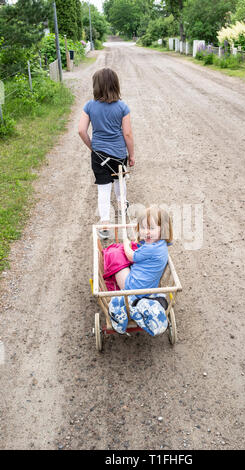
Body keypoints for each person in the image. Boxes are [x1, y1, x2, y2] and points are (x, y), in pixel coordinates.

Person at [78, 67, 135, 238]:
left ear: (96, 86)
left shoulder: (89, 106)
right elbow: (127, 134)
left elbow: (81, 130)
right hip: (118, 154)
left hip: (99, 155)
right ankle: (122, 208)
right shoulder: (122, 107)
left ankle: (104, 224)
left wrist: (93, 148)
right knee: (119, 181)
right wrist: (131, 155)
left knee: (103, 188)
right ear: (115, 85)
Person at [108, 205, 173, 336]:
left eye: (151, 228)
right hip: (150, 286)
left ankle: (126, 299)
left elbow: (130, 255)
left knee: (116, 259)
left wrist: (126, 243)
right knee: (126, 260)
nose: (146, 232)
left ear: (163, 229)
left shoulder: (150, 248)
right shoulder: (162, 244)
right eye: (143, 228)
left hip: (132, 285)